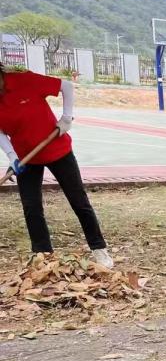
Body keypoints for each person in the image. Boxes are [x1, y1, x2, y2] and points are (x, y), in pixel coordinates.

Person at [0, 63, 114, 268]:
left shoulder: (25, 80)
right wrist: (12, 156)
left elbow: (66, 86)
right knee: (31, 207)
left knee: (79, 201)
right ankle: (42, 255)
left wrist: (67, 117)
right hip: (26, 159)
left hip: (57, 149)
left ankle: (99, 248)